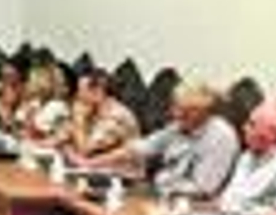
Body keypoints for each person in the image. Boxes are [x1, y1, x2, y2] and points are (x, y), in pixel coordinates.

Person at [82, 83, 239, 198]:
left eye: (184, 111)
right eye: (175, 107)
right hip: (158, 191)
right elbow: (138, 149)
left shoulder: (221, 136)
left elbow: (204, 189)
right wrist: (92, 163)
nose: (176, 115)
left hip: (187, 203)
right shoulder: (179, 126)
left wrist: (156, 194)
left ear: (203, 111)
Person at [63, 68, 140, 160]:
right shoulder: (93, 111)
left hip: (121, 172)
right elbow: (60, 137)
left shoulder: (116, 116)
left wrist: (79, 119)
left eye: (82, 91)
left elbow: (84, 150)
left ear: (97, 92)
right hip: (96, 168)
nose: (78, 96)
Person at [13, 64, 72, 145]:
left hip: (46, 150)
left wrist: (37, 141)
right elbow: (18, 126)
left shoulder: (58, 106)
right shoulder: (33, 104)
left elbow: (61, 136)